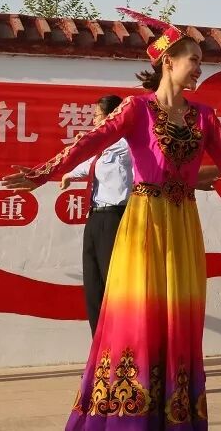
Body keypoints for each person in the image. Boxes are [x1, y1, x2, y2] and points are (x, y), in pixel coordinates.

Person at [2, 8, 221, 431]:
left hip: (183, 224)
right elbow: (90, 142)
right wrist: (43, 173)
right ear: (168, 61)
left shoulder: (203, 117)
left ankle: (172, 415)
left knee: (178, 319)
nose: (199, 69)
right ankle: (127, 415)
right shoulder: (137, 110)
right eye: (194, 61)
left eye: (201, 62)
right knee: (138, 317)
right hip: (144, 222)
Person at [59, 95, 134, 336]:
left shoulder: (127, 144)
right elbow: (91, 163)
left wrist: (89, 141)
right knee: (93, 286)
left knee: (114, 284)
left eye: (97, 116)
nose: (94, 121)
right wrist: (69, 174)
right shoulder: (102, 149)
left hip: (115, 218)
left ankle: (120, 343)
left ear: (113, 117)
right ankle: (100, 345)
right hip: (95, 218)